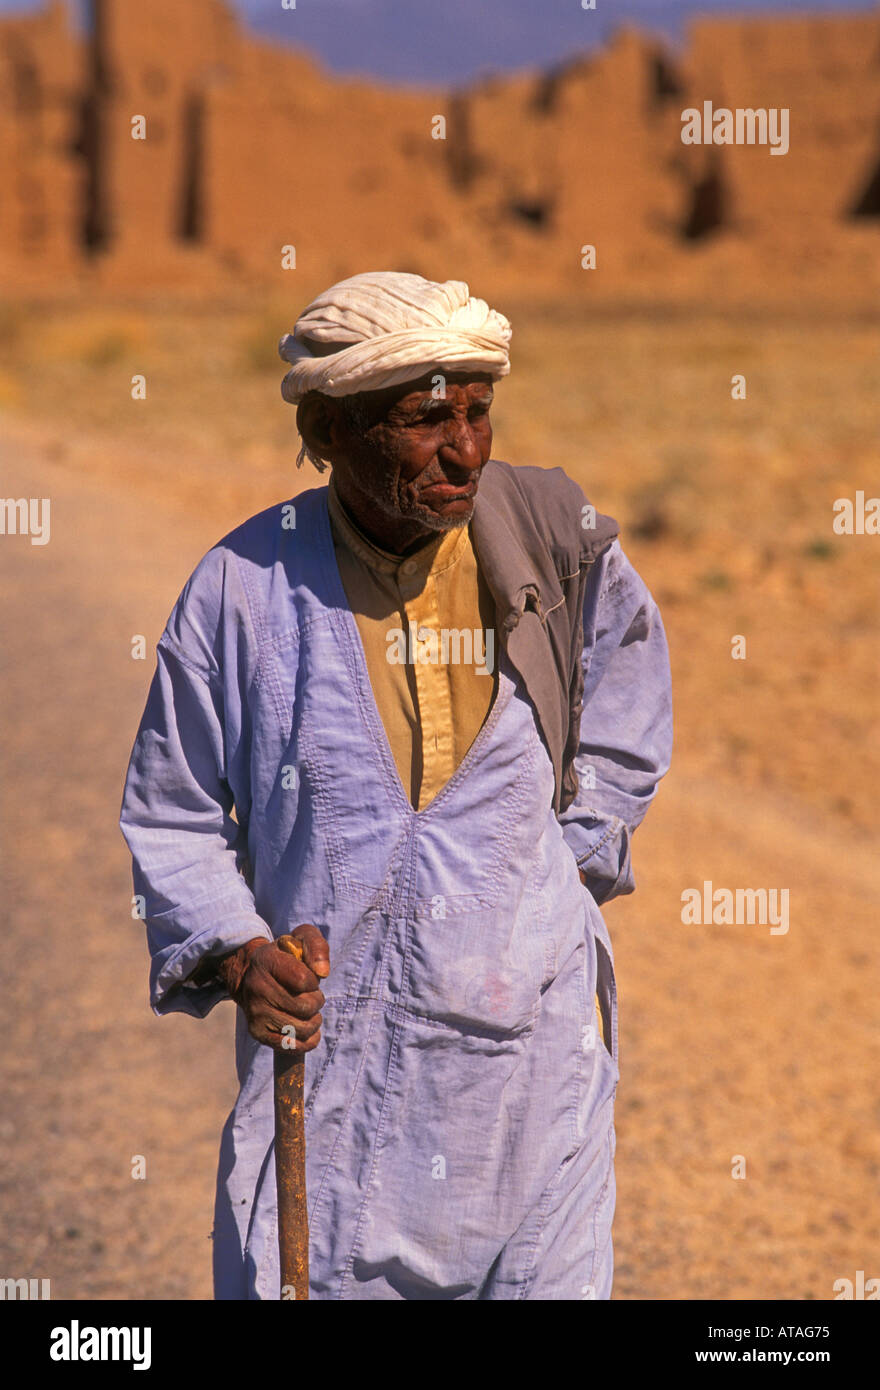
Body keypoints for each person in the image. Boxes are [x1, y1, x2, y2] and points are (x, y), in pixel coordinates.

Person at [119, 271, 673, 1300]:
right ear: (331, 427)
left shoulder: (550, 537)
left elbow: (630, 684)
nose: (464, 448)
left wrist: (569, 858)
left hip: (531, 1059)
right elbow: (173, 813)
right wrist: (241, 956)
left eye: (476, 411)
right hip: (340, 1068)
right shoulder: (241, 590)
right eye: (425, 419)